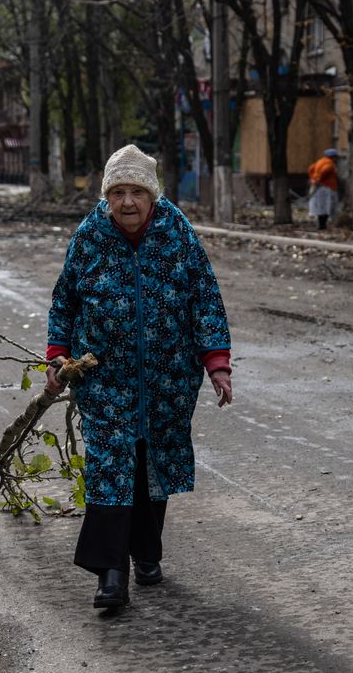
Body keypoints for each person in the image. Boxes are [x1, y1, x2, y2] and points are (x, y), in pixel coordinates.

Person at [45, 144, 234, 610]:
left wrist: (217, 363)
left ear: (153, 196)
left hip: (169, 378)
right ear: (107, 195)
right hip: (104, 378)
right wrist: (58, 356)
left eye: (136, 192)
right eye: (118, 192)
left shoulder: (177, 233)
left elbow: (205, 297)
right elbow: (65, 300)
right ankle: (111, 575)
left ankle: (147, 553)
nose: (127, 202)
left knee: (153, 461)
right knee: (110, 465)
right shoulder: (89, 237)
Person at [307, 148, 340, 230]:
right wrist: (318, 179)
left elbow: (310, 168)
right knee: (325, 207)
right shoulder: (329, 163)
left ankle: (321, 224)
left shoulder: (320, 161)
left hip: (320, 187)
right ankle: (322, 225)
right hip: (326, 188)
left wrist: (312, 178)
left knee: (320, 207)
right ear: (333, 157)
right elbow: (325, 170)